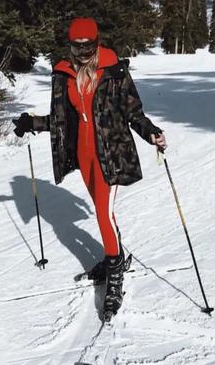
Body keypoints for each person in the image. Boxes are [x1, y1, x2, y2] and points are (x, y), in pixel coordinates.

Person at [12, 17, 166, 320]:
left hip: (111, 153)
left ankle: (115, 272)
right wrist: (34, 123)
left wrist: (151, 133)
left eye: (88, 46)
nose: (83, 52)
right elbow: (61, 119)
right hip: (83, 156)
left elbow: (133, 111)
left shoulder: (113, 70)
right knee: (103, 210)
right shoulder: (64, 73)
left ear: (96, 43)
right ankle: (117, 257)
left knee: (103, 214)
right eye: (77, 46)